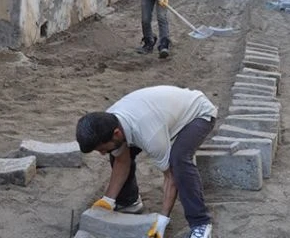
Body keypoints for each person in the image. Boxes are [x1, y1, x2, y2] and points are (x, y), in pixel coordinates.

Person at [76, 85, 217, 238]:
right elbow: (122, 161)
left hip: (198, 113)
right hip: (161, 115)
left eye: (101, 149)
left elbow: (171, 177)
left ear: (116, 133)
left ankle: (201, 224)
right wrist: (108, 201)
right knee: (115, 152)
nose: (101, 153)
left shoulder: (150, 135)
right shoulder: (109, 121)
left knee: (179, 160)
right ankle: (129, 202)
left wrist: (162, 220)